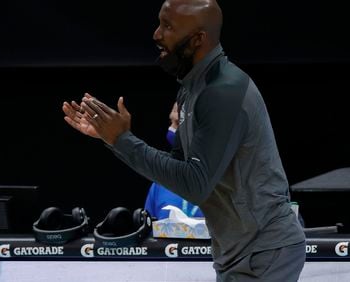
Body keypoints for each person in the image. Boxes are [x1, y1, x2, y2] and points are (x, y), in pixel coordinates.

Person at [62, 0, 306, 280]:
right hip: (237, 251)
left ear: (198, 38)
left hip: (265, 250)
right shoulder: (191, 88)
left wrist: (123, 141)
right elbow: (178, 167)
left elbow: (194, 185)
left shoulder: (222, 91)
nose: (156, 34)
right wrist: (115, 140)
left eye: (168, 26)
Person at [144, 102, 204, 219]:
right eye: (171, 122)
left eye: (177, 123)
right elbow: (148, 233)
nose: (170, 129)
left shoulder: (233, 183)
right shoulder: (161, 182)